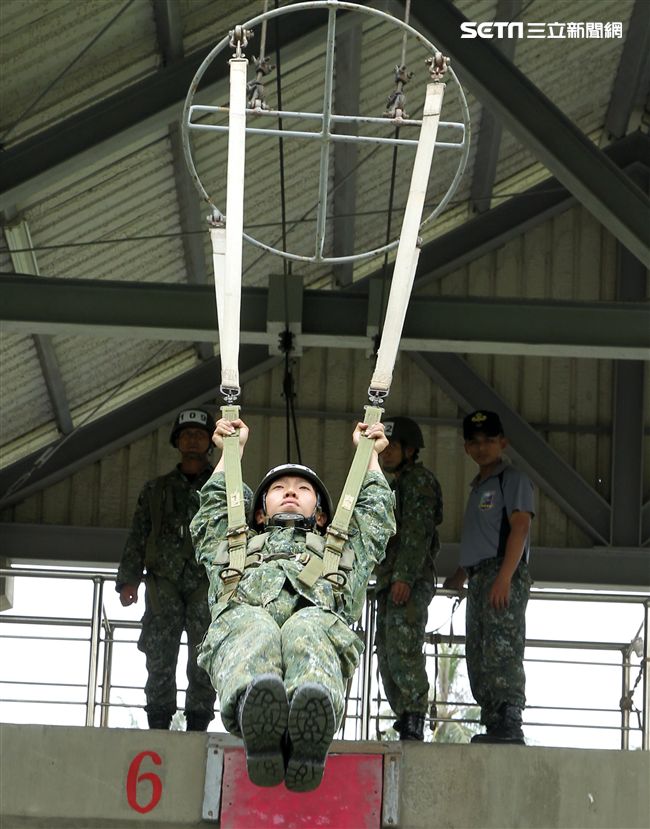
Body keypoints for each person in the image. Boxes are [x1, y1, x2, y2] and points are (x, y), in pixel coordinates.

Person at [190, 416, 395, 792]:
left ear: (320, 514)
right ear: (258, 511)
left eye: (303, 488)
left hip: (317, 627)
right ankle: (257, 712)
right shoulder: (235, 547)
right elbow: (213, 512)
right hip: (245, 625)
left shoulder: (342, 553)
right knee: (256, 628)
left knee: (307, 628)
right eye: (279, 488)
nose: (290, 492)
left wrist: (371, 456)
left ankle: (307, 726)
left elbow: (374, 517)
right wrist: (229, 452)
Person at [115, 408, 217, 732]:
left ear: (209, 443)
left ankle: (198, 724)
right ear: (177, 441)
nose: (192, 440)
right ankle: (158, 724)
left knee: (205, 659)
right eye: (186, 434)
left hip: (206, 585)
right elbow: (138, 536)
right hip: (163, 586)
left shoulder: (223, 489)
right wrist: (128, 581)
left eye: (199, 435)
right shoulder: (155, 491)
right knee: (160, 657)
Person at [444, 410, 534, 744]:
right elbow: (482, 538)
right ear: (467, 447)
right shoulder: (479, 486)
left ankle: (510, 719)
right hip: (481, 576)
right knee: (480, 650)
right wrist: (461, 574)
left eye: (489, 441)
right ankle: (495, 723)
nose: (482, 448)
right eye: (475, 442)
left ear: (503, 443)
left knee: (502, 647)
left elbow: (520, 527)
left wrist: (505, 578)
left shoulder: (511, 480)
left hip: (502, 571)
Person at [375, 416, 443, 741]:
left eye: (392, 446)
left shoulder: (418, 482)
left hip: (407, 579)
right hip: (390, 580)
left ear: (410, 449)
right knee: (387, 651)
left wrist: (404, 576)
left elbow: (417, 532)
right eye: (383, 446)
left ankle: (414, 713)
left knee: (403, 647)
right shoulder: (394, 485)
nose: (385, 452)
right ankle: (405, 714)